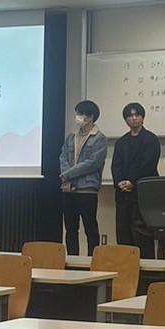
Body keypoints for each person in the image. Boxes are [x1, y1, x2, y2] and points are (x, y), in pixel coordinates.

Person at [59, 99, 107, 256]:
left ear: (90, 117)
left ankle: (93, 261)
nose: (78, 116)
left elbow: (91, 164)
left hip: (87, 189)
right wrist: (66, 179)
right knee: (70, 229)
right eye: (77, 113)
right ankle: (72, 261)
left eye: (81, 113)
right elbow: (63, 157)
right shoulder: (71, 137)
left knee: (90, 229)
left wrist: (67, 175)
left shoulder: (99, 138)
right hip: (69, 189)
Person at [111, 102, 161, 249]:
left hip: (142, 194)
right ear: (126, 120)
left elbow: (148, 165)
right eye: (130, 116)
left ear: (142, 117)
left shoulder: (151, 139)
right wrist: (119, 182)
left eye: (137, 115)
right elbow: (116, 165)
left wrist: (132, 182)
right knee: (123, 233)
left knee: (142, 236)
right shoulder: (121, 142)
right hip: (123, 195)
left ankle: (145, 264)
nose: (134, 118)